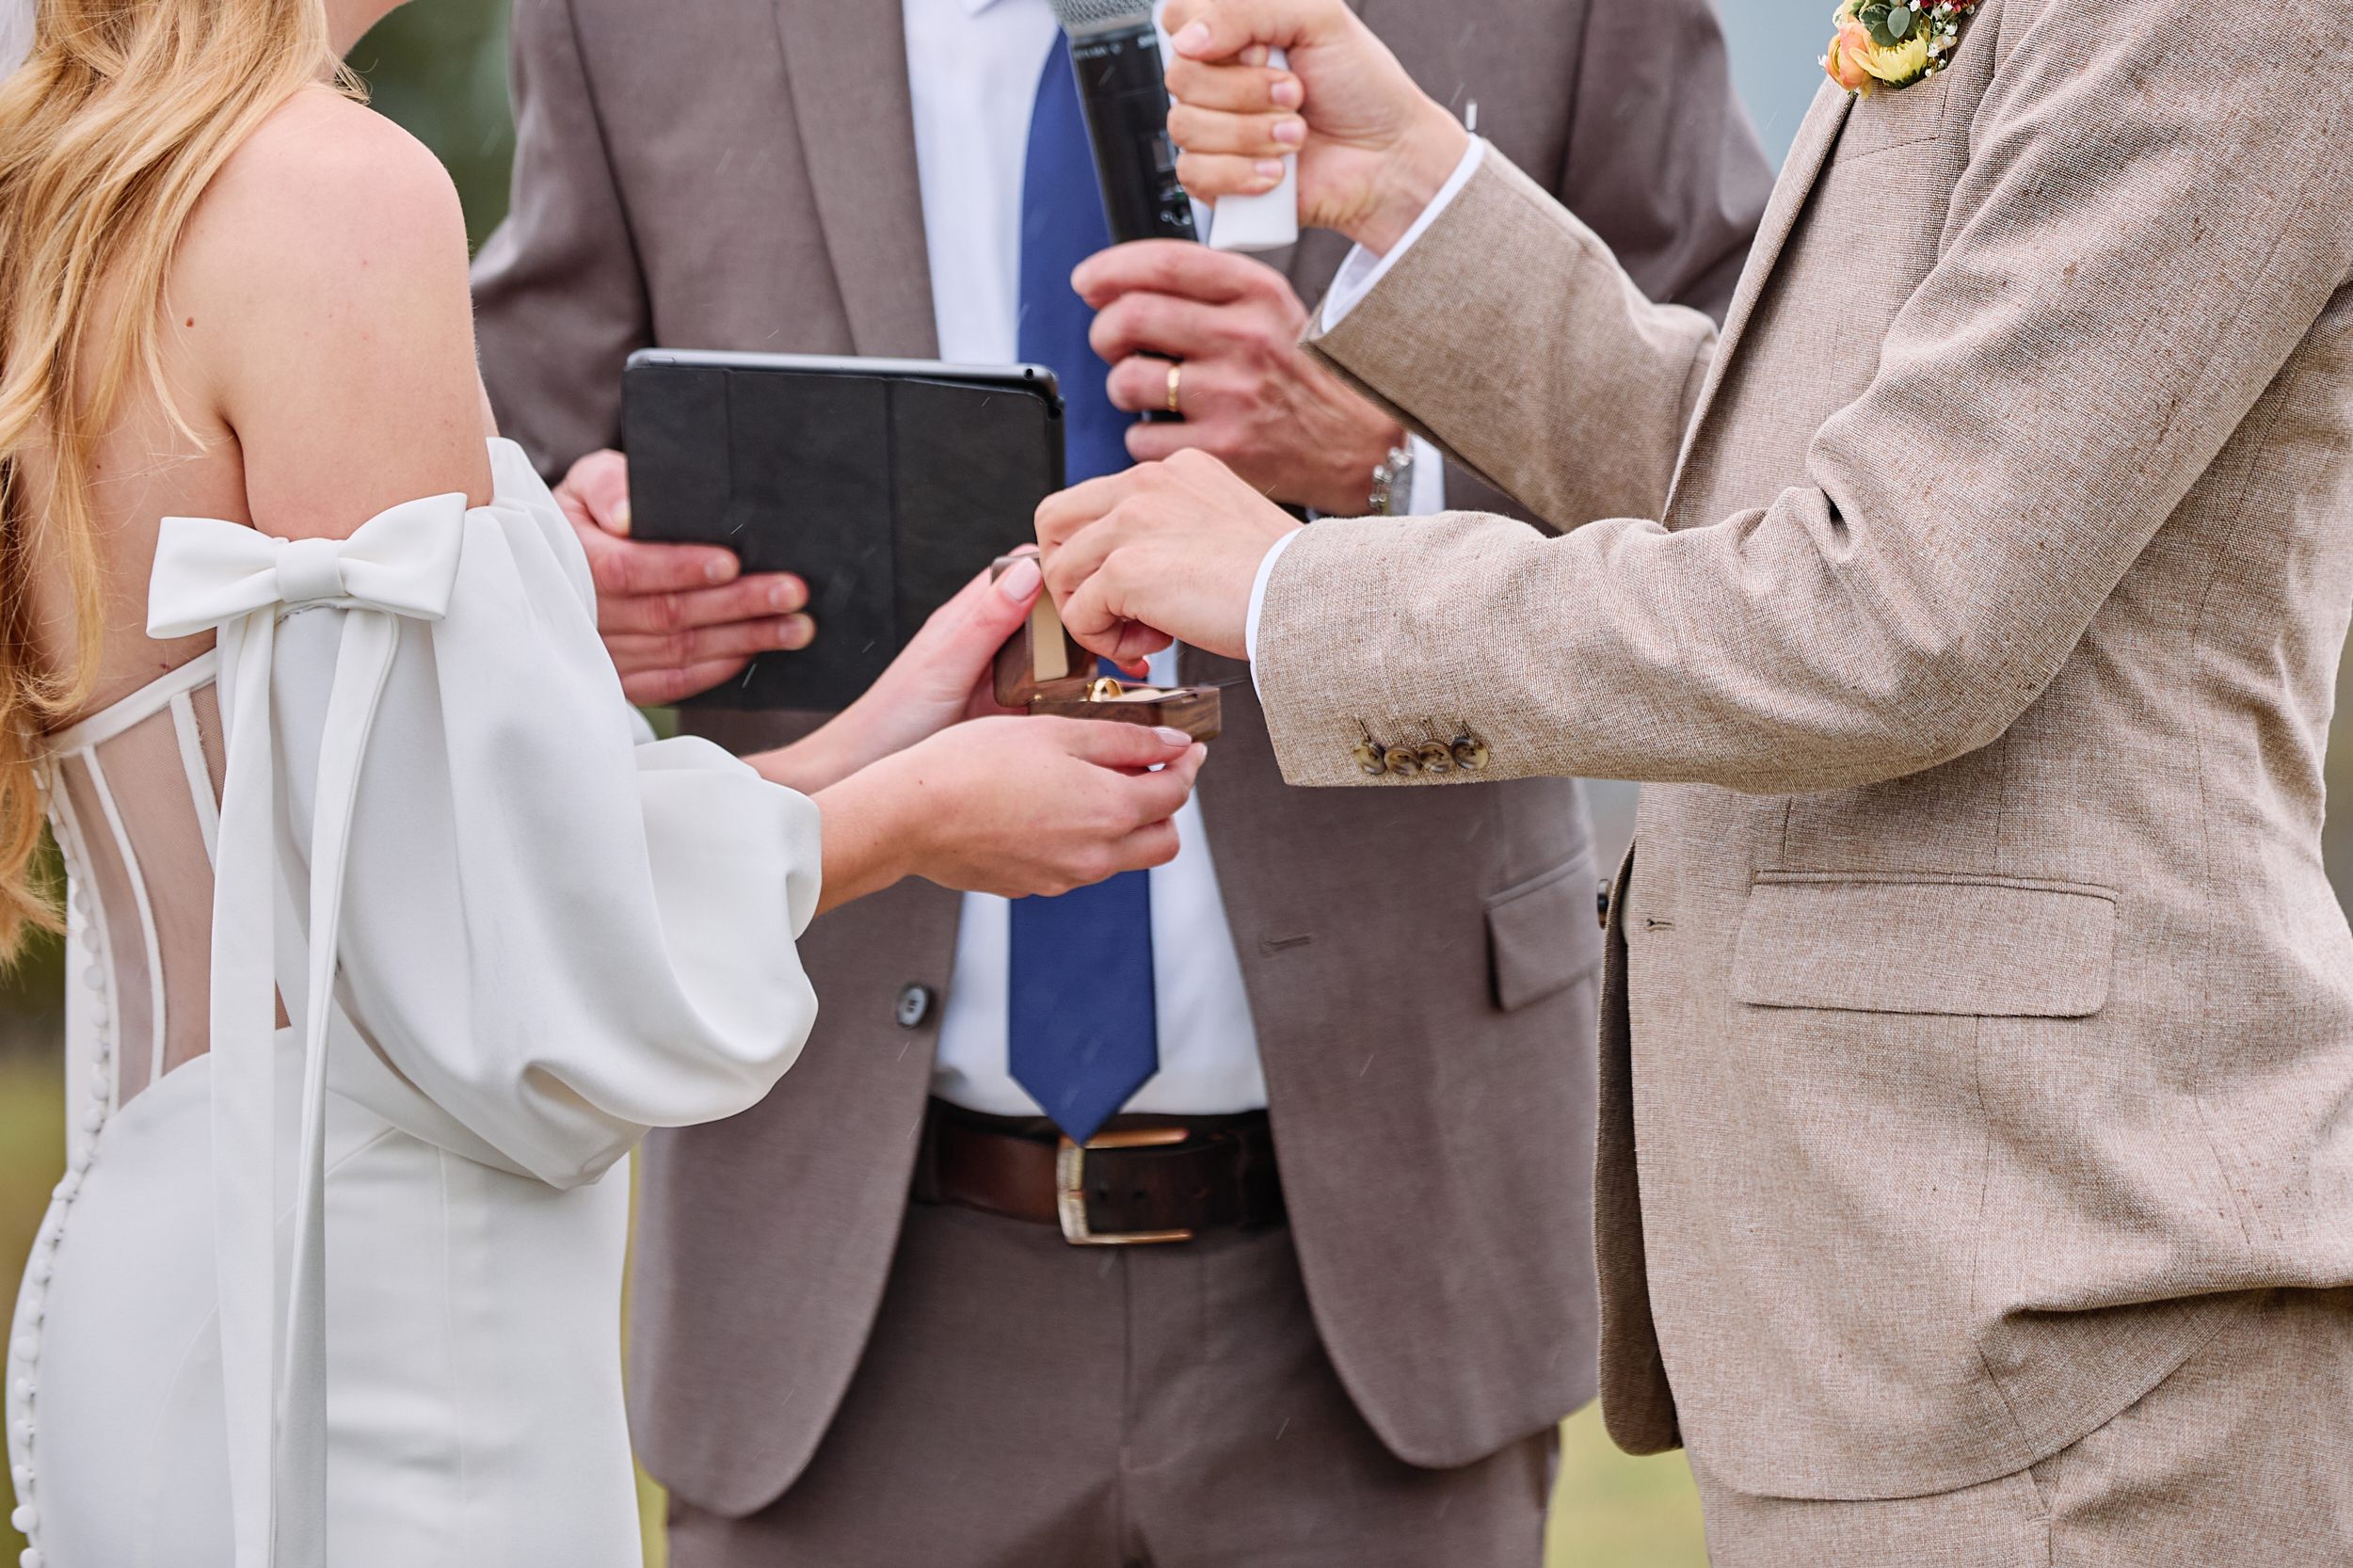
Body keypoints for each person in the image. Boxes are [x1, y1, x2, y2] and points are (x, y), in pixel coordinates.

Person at [1037, 0, 2353, 1561]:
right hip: (1879, 1305)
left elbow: (1892, 611)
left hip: (2063, 1336)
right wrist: (1413, 191)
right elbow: (1768, 489)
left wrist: (1300, 600)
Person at [471, 0, 1769, 1560]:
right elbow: (498, 465)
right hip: (842, 1277)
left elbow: (1752, 463)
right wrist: (571, 573)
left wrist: (1384, 464)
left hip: (1384, 1251)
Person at [0, 0, 1205, 1562]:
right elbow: (515, 970)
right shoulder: (337, 197)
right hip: (377, 1321)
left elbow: (398, 855)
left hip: (177, 1258)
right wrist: (916, 815)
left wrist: (877, 739)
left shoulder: (84, 180)